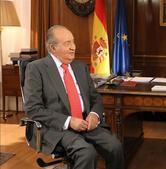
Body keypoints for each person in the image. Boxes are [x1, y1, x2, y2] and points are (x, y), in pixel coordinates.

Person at [24, 25, 124, 169]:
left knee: (115, 147)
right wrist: (69, 121)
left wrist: (94, 115)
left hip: (86, 123)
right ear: (52, 48)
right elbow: (33, 109)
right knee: (87, 152)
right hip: (57, 128)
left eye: (73, 42)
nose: (73, 47)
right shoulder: (36, 69)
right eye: (67, 43)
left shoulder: (80, 67)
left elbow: (95, 97)